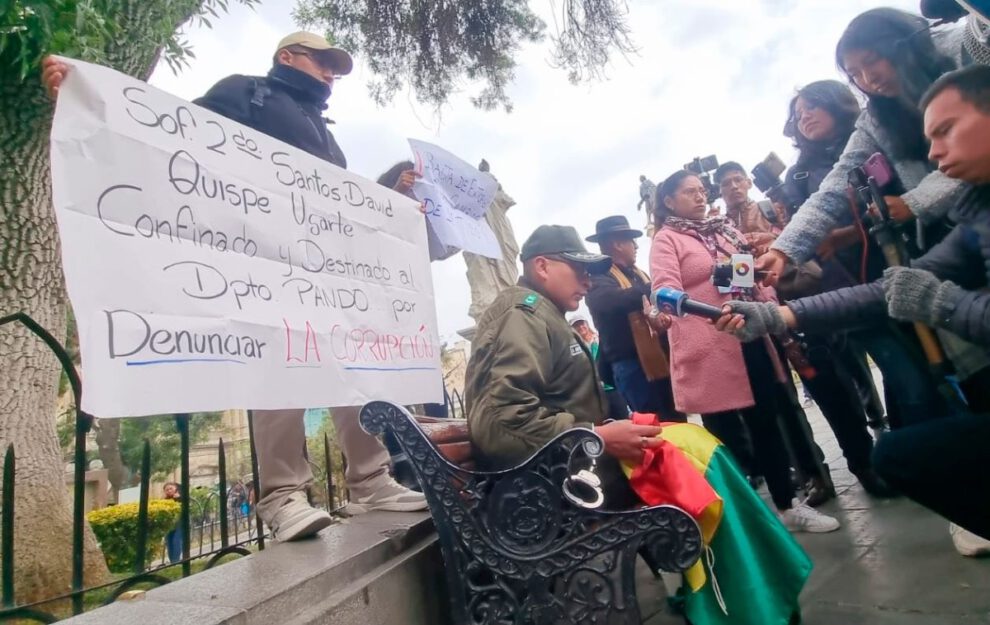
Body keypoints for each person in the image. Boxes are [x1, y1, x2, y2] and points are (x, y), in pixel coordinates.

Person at [41, 32, 427, 543]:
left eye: (336, 67)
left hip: (326, 271)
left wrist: (389, 196)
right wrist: (85, 94)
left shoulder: (327, 134)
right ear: (286, 57)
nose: (331, 73)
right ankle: (284, 494)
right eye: (322, 62)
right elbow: (166, 130)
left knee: (352, 367)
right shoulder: (247, 93)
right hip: (262, 264)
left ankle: (372, 481)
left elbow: (344, 204)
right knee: (280, 364)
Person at [465, 225, 817, 624]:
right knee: (694, 467)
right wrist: (596, 436)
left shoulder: (541, 313)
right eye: (577, 269)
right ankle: (741, 603)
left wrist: (604, 432)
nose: (586, 280)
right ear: (542, 266)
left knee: (695, 446)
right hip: (549, 485)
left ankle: (750, 594)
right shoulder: (522, 314)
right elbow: (498, 421)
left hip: (566, 467)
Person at [717, 64, 990, 555]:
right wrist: (779, 314)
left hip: (922, 287)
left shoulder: (942, 197)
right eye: (927, 139)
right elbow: (886, 287)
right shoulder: (971, 226)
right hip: (857, 287)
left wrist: (938, 299)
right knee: (906, 416)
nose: (932, 152)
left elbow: (923, 285)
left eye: (945, 131)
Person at [650, 170, 840, 533]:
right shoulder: (666, 240)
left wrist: (770, 309)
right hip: (707, 350)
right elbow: (665, 291)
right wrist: (707, 310)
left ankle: (788, 505)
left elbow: (748, 277)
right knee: (723, 437)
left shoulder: (724, 230)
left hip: (749, 336)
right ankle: (742, 521)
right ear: (669, 201)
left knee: (767, 422)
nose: (700, 197)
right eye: (689, 192)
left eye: (702, 190)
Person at [585, 215, 682, 421]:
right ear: (617, 244)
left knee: (676, 418)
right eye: (631, 241)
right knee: (654, 424)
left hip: (659, 358)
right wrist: (657, 288)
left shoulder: (638, 274)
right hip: (631, 365)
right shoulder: (596, 277)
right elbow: (611, 301)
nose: (636, 247)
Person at [569, 314, 629, 420]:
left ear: (587, 324)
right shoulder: (575, 350)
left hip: (611, 387)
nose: (581, 327)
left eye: (582, 324)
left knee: (624, 417)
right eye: (576, 325)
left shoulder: (599, 340)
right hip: (594, 394)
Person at [163, 482, 183, 563]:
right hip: (169, 525)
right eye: (167, 489)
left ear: (175, 489)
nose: (169, 491)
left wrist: (178, 498)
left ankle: (176, 561)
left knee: (176, 541)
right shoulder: (164, 501)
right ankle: (172, 561)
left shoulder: (181, 498)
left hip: (179, 524)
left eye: (171, 488)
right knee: (169, 542)